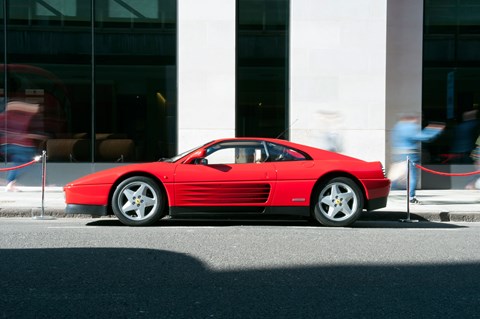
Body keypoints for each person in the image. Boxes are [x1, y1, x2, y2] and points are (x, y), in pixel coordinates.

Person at [390, 114, 445, 204]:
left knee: (398, 174)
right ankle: (411, 197)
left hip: (398, 153)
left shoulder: (398, 126)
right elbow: (424, 137)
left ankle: (387, 189)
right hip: (410, 154)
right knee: (413, 176)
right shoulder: (410, 126)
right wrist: (434, 130)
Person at [0, 101, 45, 192]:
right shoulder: (11, 116)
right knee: (22, 164)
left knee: (22, 164)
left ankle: (11, 183)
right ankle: (10, 183)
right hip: (18, 145)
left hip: (19, 145)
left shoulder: (20, 117)